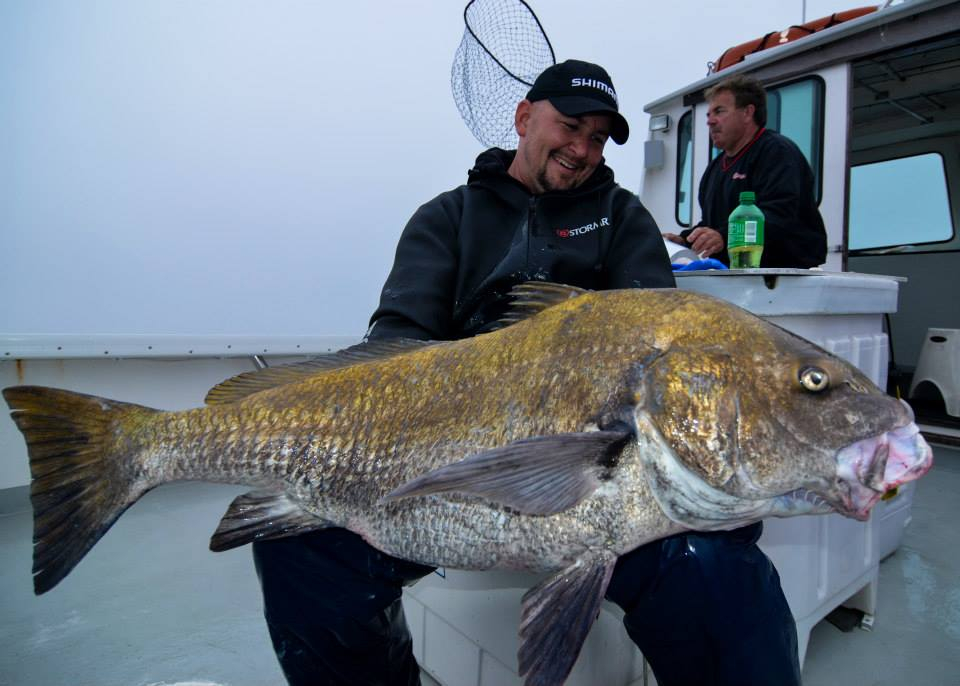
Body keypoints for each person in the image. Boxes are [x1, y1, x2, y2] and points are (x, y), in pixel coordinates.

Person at [252, 60, 800, 686]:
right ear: (523, 118)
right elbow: (396, 350)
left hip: (603, 486)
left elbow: (655, 350)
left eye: (598, 138)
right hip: (449, 475)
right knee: (297, 545)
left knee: (713, 559)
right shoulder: (446, 218)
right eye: (570, 127)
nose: (582, 149)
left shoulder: (622, 218)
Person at [665, 74, 827, 267]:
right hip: (735, 273)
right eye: (708, 115)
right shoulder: (715, 168)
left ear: (747, 113)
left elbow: (780, 215)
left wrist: (723, 236)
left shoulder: (777, 152)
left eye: (719, 111)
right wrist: (685, 241)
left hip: (782, 275)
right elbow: (712, 225)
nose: (710, 121)